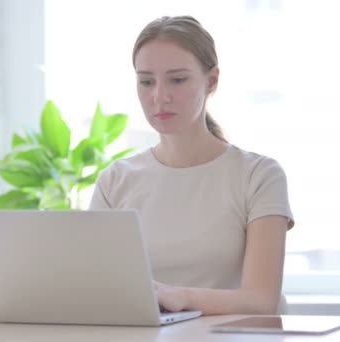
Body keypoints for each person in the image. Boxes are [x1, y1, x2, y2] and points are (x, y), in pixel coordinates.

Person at [89, 15, 295, 316]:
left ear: (211, 81)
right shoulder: (115, 181)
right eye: (146, 81)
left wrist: (179, 297)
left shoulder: (259, 175)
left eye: (177, 79)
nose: (159, 96)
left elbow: (261, 299)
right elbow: (95, 288)